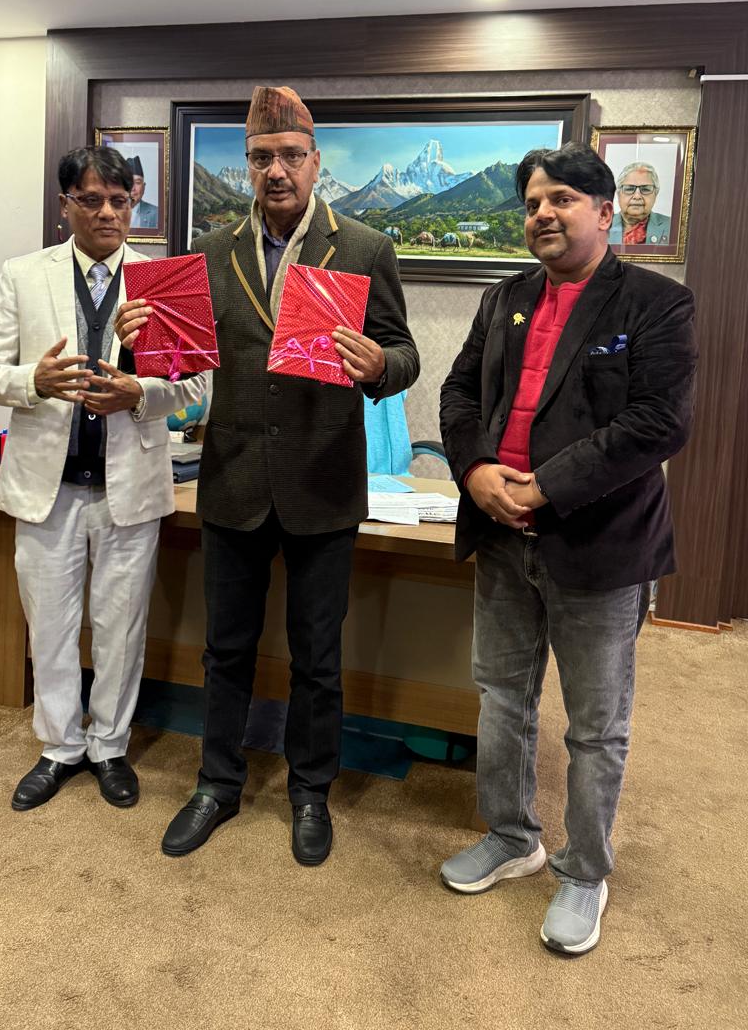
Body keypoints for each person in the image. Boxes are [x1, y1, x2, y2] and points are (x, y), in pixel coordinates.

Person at [116, 85, 420, 866]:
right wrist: (134, 342)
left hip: (324, 479)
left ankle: (310, 792)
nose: (275, 170)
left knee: (317, 657)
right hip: (234, 480)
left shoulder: (365, 248)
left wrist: (379, 365)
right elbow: (177, 364)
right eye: (260, 158)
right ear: (246, 166)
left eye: (289, 156)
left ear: (315, 163)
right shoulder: (209, 252)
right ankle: (216, 784)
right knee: (225, 649)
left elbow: (405, 355)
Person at [438, 142, 696, 955]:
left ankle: (585, 869)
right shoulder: (504, 298)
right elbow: (457, 392)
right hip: (500, 537)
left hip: (598, 544)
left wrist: (543, 487)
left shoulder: (656, 303)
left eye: (561, 200)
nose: (542, 214)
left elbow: (658, 424)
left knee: (594, 723)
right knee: (501, 699)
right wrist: (477, 472)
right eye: (531, 203)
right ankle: (512, 836)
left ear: (605, 212)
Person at [0, 146, 201, 812]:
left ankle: (108, 747)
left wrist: (140, 392)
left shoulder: (164, 280)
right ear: (65, 204)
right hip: (48, 487)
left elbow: (195, 386)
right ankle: (60, 746)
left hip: (129, 486)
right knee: (50, 624)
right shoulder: (23, 275)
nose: (107, 213)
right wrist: (32, 381)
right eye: (91, 200)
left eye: (119, 201)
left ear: (134, 203)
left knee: (121, 626)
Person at [609, 161, 671, 246]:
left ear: (655, 194)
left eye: (645, 189)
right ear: (618, 194)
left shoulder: (673, 227)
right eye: (629, 189)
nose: (637, 196)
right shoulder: (601, 227)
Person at [127, 156, 160, 229]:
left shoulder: (156, 213)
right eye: (129, 182)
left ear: (144, 186)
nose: (133, 188)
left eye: (137, 183)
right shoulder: (112, 211)